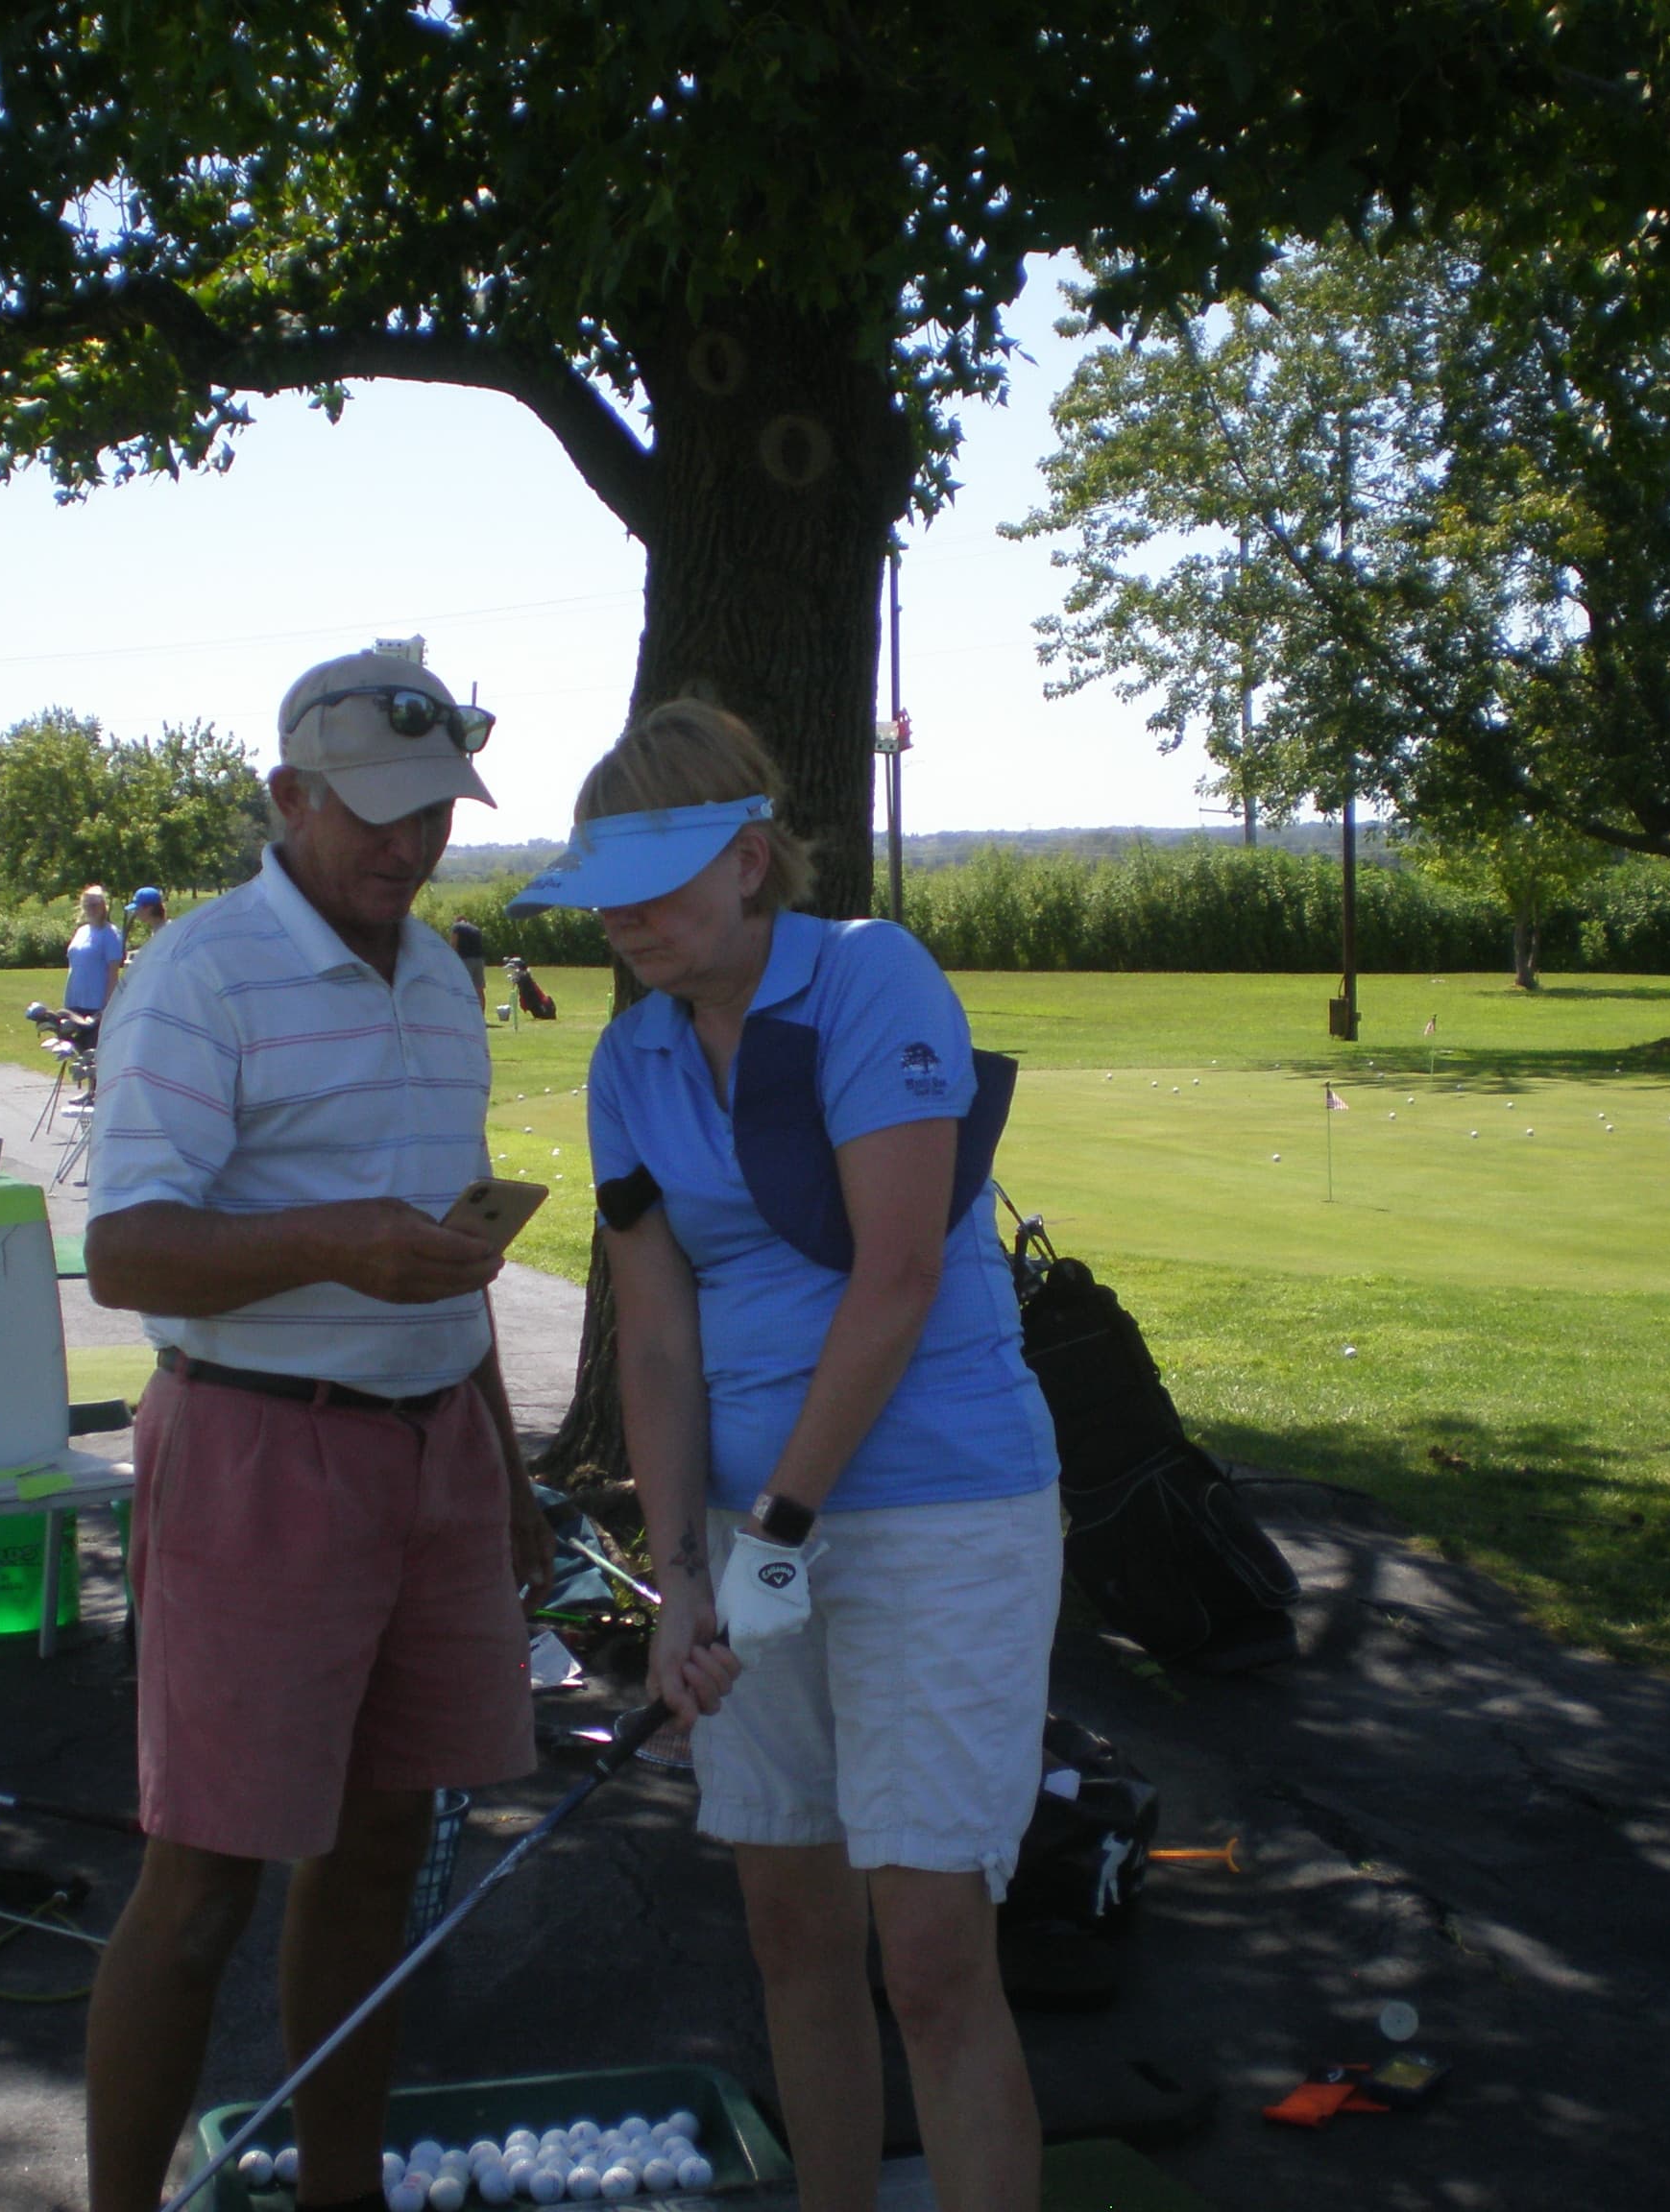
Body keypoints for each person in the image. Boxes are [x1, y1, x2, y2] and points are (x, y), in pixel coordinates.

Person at [509, 700, 1061, 2212]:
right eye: (603, 896)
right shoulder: (628, 1058)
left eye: (658, 887)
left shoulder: (875, 979)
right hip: (757, 1533)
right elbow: (657, 1338)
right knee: (791, 1929)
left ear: (752, 862)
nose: (621, 923)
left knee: (935, 1957)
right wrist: (683, 1573)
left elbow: (896, 1278)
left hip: (941, 1511)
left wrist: (777, 1536)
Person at [82, 646, 546, 2212]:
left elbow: (451, 1255)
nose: (408, 849)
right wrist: (335, 1239)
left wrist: (506, 1458)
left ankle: (340, 2193)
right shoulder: (199, 973)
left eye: (433, 816)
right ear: (288, 797)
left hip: (438, 1451)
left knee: (379, 1862)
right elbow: (128, 1251)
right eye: (376, 815)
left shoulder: (437, 971)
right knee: (203, 1876)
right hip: (257, 1451)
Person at [62, 884, 129, 1049]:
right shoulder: (82, 931)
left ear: (103, 906)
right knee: (75, 1054)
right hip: (74, 1001)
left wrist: (107, 1007)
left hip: (95, 1005)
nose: (91, 908)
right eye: (87, 905)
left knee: (93, 1055)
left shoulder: (110, 934)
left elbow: (113, 972)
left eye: (95, 904)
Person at [448, 914, 489, 1008]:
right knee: (479, 989)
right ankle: (481, 1015)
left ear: (457, 921)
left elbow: (453, 944)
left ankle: (465, 1012)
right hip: (479, 960)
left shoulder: (456, 927)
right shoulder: (476, 929)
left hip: (466, 960)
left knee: (464, 986)